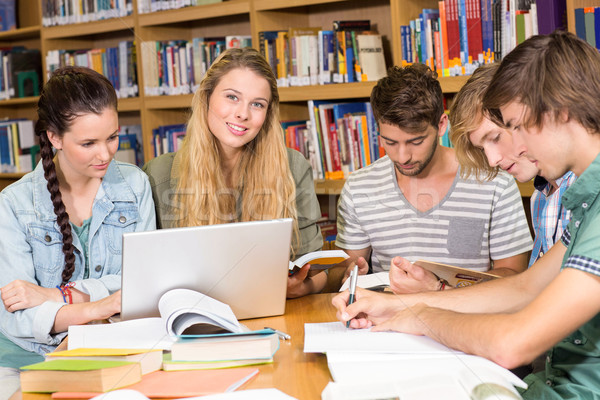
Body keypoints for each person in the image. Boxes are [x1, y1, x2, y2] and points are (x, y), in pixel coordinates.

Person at [333, 31, 600, 399]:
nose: (510, 150)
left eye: (517, 127)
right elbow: (525, 288)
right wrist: (394, 304)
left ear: (559, 111)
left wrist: (423, 317)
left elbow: (513, 343)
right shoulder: (587, 203)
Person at [0, 66, 156, 399]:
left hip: (107, 348)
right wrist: (95, 307)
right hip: (23, 358)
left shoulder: (135, 185)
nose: (105, 154)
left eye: (112, 137)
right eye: (88, 143)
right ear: (54, 137)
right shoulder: (13, 204)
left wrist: (55, 295)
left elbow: (141, 286)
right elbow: (18, 316)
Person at [331, 63, 532, 293]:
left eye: (416, 141)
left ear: (441, 125)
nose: (402, 156)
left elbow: (513, 277)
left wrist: (437, 289)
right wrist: (348, 273)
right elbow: (345, 271)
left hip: (467, 320)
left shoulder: (495, 180)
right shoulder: (359, 187)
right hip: (387, 321)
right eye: (390, 142)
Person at [143, 48, 324, 299]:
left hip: (273, 311)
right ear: (206, 97)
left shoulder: (293, 166)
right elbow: (146, 273)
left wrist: (300, 288)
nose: (243, 114)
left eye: (257, 104)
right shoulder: (158, 174)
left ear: (268, 113)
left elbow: (317, 270)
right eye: (232, 97)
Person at [449, 63, 576, 268]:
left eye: (495, 138)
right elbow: (534, 287)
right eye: (482, 149)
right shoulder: (540, 198)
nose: (492, 161)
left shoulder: (584, 190)